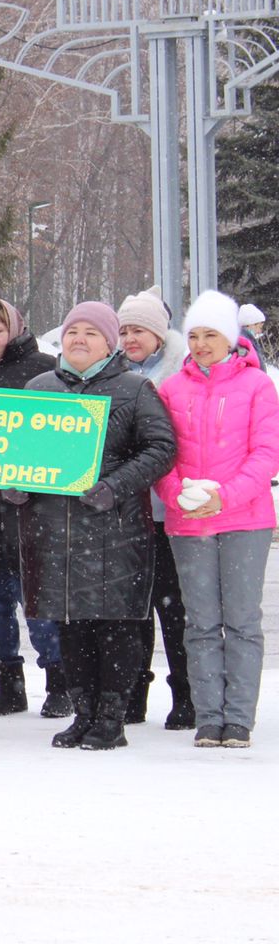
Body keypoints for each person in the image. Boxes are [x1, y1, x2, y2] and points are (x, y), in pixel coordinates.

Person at [10, 302, 176, 750]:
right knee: (72, 625)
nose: (79, 339)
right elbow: (16, 451)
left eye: (91, 332)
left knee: (114, 624)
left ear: (110, 342)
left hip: (114, 530)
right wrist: (14, 485)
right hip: (53, 531)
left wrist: (114, 486)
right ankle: (83, 713)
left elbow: (161, 449)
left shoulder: (134, 389)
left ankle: (111, 718)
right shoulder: (39, 388)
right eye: (72, 331)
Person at [155, 291, 279, 748]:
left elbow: (267, 454)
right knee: (200, 621)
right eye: (194, 335)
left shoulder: (257, 386)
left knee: (243, 621)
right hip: (188, 523)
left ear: (231, 338)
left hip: (245, 520)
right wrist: (177, 496)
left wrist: (224, 497)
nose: (202, 343)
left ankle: (239, 718)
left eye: (211, 334)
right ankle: (209, 716)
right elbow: (162, 456)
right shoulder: (171, 389)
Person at [0, 296, 67, 718]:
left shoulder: (44, 369)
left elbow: (60, 436)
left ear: (14, 329)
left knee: (40, 603)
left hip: (32, 511)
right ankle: (8, 683)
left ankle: (59, 682)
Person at [115, 286, 193, 729]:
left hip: (169, 510)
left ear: (159, 334)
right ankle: (133, 692)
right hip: (127, 511)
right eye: (124, 330)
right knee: (133, 607)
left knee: (173, 608)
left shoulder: (176, 375)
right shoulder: (115, 374)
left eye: (139, 330)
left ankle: (184, 692)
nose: (130, 338)